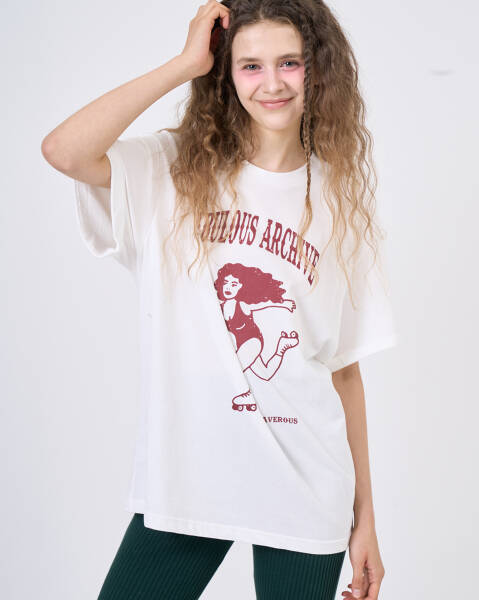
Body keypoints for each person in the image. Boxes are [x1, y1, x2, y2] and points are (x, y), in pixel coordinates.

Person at [41, 1, 398, 598]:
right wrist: (184, 64)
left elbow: (344, 372)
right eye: (250, 65)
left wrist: (366, 521)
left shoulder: (338, 203)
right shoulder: (174, 170)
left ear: (318, 68)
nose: (273, 82)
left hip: (307, 489)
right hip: (189, 481)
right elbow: (64, 151)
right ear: (225, 75)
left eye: (290, 62)